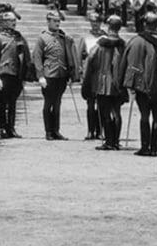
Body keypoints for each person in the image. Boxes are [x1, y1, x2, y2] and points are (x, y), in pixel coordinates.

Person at [119, 10, 157, 156]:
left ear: (144, 24)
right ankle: (154, 147)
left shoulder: (135, 41)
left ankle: (145, 147)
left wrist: (125, 82)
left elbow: (125, 61)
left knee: (144, 115)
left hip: (141, 84)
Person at [82, 14, 128, 149]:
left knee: (105, 112)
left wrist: (88, 77)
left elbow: (90, 59)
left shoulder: (101, 43)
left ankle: (108, 141)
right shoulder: (123, 44)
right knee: (117, 112)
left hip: (103, 81)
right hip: (118, 82)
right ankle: (116, 140)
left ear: (109, 26)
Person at [31, 8, 77, 140]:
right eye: (54, 21)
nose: (57, 24)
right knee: (48, 103)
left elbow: (68, 54)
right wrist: (40, 75)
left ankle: (56, 130)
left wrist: (70, 74)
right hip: (49, 74)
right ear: (48, 22)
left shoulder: (63, 37)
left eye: (58, 21)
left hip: (61, 74)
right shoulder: (43, 38)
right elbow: (37, 57)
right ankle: (48, 131)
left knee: (57, 103)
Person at [0, 7, 30, 139]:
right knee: (2, 103)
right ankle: (3, 128)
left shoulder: (18, 37)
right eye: (10, 20)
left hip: (16, 74)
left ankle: (11, 128)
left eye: (14, 20)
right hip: (4, 73)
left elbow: (25, 55)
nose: (14, 23)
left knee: (12, 102)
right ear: (4, 22)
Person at [77, 11, 107, 139]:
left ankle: (100, 130)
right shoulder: (85, 37)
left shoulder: (104, 37)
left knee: (100, 103)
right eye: (93, 22)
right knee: (90, 103)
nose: (95, 25)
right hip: (89, 72)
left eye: (97, 22)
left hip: (101, 72)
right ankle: (90, 130)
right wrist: (80, 71)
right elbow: (79, 55)